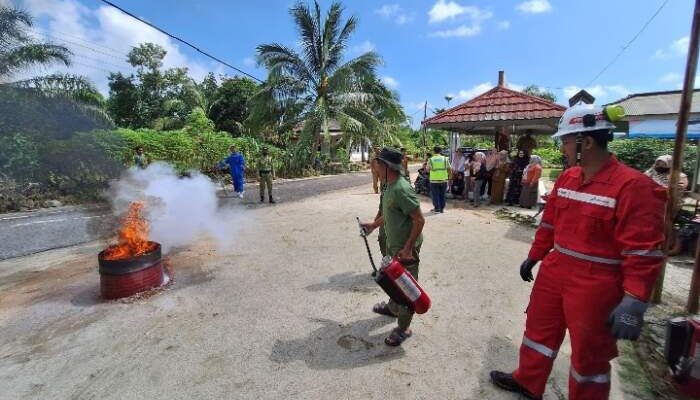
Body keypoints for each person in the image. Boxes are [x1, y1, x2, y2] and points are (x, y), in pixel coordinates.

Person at [490, 103, 666, 400]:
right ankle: (528, 381)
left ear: (586, 142)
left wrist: (635, 299)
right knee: (538, 331)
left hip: (597, 282)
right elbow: (549, 223)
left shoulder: (634, 187)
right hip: (556, 269)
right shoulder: (568, 178)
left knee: (589, 353)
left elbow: (643, 251)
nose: (562, 148)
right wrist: (535, 255)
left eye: (566, 141)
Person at [361, 147, 425, 347]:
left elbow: (420, 220)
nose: (375, 166)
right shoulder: (388, 186)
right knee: (392, 282)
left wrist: (407, 248)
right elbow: (389, 214)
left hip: (406, 249)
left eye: (378, 163)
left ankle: (403, 328)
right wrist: (373, 225)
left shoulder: (401, 189)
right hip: (393, 245)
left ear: (387, 166)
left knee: (406, 289)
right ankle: (393, 307)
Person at [426, 146, 451, 213]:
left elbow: (427, 170)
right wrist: (450, 177)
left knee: (435, 195)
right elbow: (449, 169)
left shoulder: (431, 159)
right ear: (441, 151)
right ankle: (442, 209)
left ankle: (437, 209)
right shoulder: (445, 159)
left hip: (434, 180)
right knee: (442, 194)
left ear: (433, 151)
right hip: (444, 180)